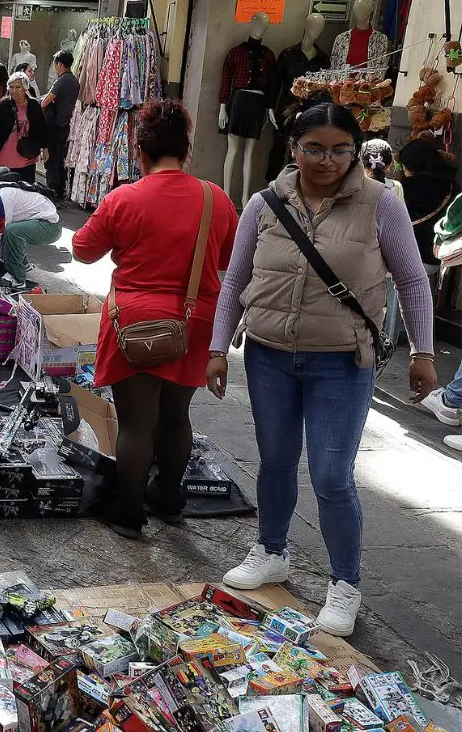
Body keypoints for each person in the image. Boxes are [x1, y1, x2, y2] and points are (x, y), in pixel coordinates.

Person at [208, 97, 436, 637]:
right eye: (314, 148)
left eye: (340, 150)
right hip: (268, 356)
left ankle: (346, 583)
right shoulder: (265, 204)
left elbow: (412, 280)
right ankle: (271, 550)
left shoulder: (381, 204)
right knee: (276, 461)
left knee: (332, 476)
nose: (327, 160)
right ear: (294, 149)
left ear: (356, 153)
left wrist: (424, 352)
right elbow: (235, 281)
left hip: (343, 362)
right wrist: (218, 347)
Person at [71, 99, 238, 537]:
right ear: (186, 150)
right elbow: (228, 258)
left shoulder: (124, 197)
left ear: (140, 152)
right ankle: (168, 496)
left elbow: (83, 250)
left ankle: (128, 512)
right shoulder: (214, 198)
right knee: (176, 416)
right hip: (195, 318)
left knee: (136, 423)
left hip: (135, 322)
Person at [398, 136, 456, 265]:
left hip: (423, 257)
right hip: (450, 250)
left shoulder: (408, 190)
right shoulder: (450, 183)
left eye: (403, 166)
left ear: (411, 167)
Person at [0, 72, 47, 183]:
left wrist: (45, 149)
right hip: (5, 153)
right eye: (11, 87)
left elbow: (42, 128)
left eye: (18, 87)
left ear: (25, 88)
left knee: (26, 186)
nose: (14, 90)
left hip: (27, 153)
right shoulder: (3, 105)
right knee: (6, 185)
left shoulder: (34, 105)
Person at [40, 51, 78, 196]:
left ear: (60, 64)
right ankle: (60, 190)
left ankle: (53, 191)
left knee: (51, 160)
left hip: (54, 125)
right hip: (66, 124)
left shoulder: (61, 81)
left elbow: (44, 103)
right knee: (60, 159)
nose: (54, 68)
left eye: (55, 64)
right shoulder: (75, 81)